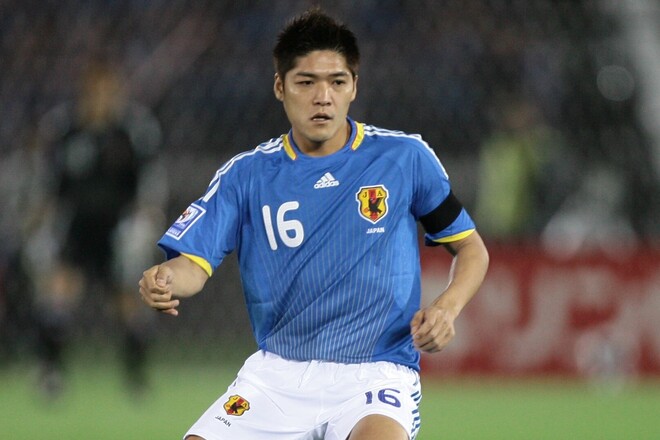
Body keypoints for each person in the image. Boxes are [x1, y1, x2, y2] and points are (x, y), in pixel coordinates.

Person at [139, 8, 488, 440]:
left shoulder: (404, 158)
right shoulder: (246, 175)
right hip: (276, 379)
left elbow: (471, 249)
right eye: (306, 82)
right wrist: (164, 279)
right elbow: (192, 265)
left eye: (337, 82)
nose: (323, 97)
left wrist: (447, 308)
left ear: (354, 86)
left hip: (376, 375)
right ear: (280, 87)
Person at [32, 58, 166, 397]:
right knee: (58, 292)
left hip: (119, 226)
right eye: (96, 91)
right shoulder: (64, 129)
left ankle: (136, 375)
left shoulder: (134, 130)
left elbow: (149, 183)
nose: (103, 99)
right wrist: (41, 221)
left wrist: (148, 219)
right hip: (76, 224)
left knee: (129, 299)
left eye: (109, 91)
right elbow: (48, 183)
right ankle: (51, 372)